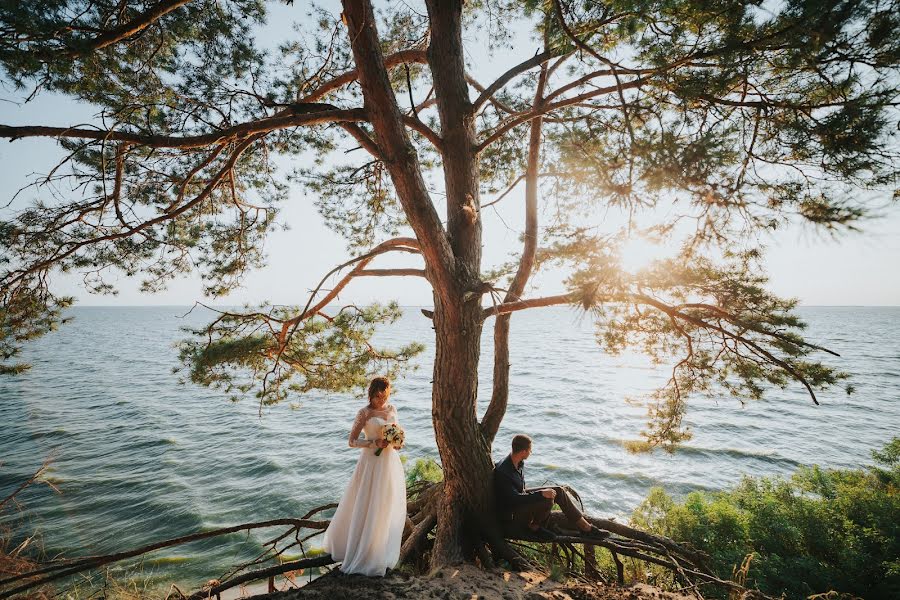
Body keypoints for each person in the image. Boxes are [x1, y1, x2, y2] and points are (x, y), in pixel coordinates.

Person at [322, 377, 406, 576]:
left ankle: (378, 550)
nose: (381, 400)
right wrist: (373, 443)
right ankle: (359, 550)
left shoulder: (392, 409)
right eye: (378, 396)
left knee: (385, 505)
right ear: (371, 393)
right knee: (366, 503)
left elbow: (397, 436)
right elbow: (351, 441)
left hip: (389, 463)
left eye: (384, 396)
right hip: (370, 463)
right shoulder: (364, 413)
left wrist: (397, 443)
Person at [493, 434, 607, 540]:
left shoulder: (518, 462)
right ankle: (534, 528)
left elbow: (520, 491)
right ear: (523, 451)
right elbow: (514, 499)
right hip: (512, 514)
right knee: (547, 499)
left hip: (519, 500)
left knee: (557, 491)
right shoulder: (504, 471)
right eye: (530, 450)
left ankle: (586, 528)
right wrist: (540, 494)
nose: (531, 452)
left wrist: (540, 493)